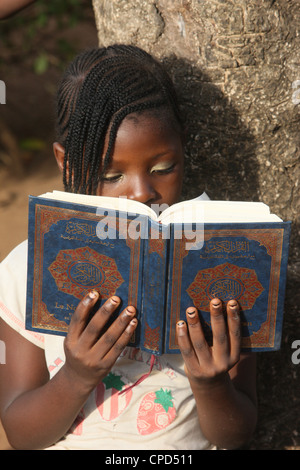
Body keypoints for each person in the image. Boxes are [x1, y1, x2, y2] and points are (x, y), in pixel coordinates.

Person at [0, 45, 257, 450]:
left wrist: (211, 384)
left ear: (183, 147)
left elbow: (237, 432)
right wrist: (76, 376)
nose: (141, 193)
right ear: (65, 163)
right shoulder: (25, 270)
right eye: (111, 174)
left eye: (162, 168)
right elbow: (20, 434)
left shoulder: (224, 264)